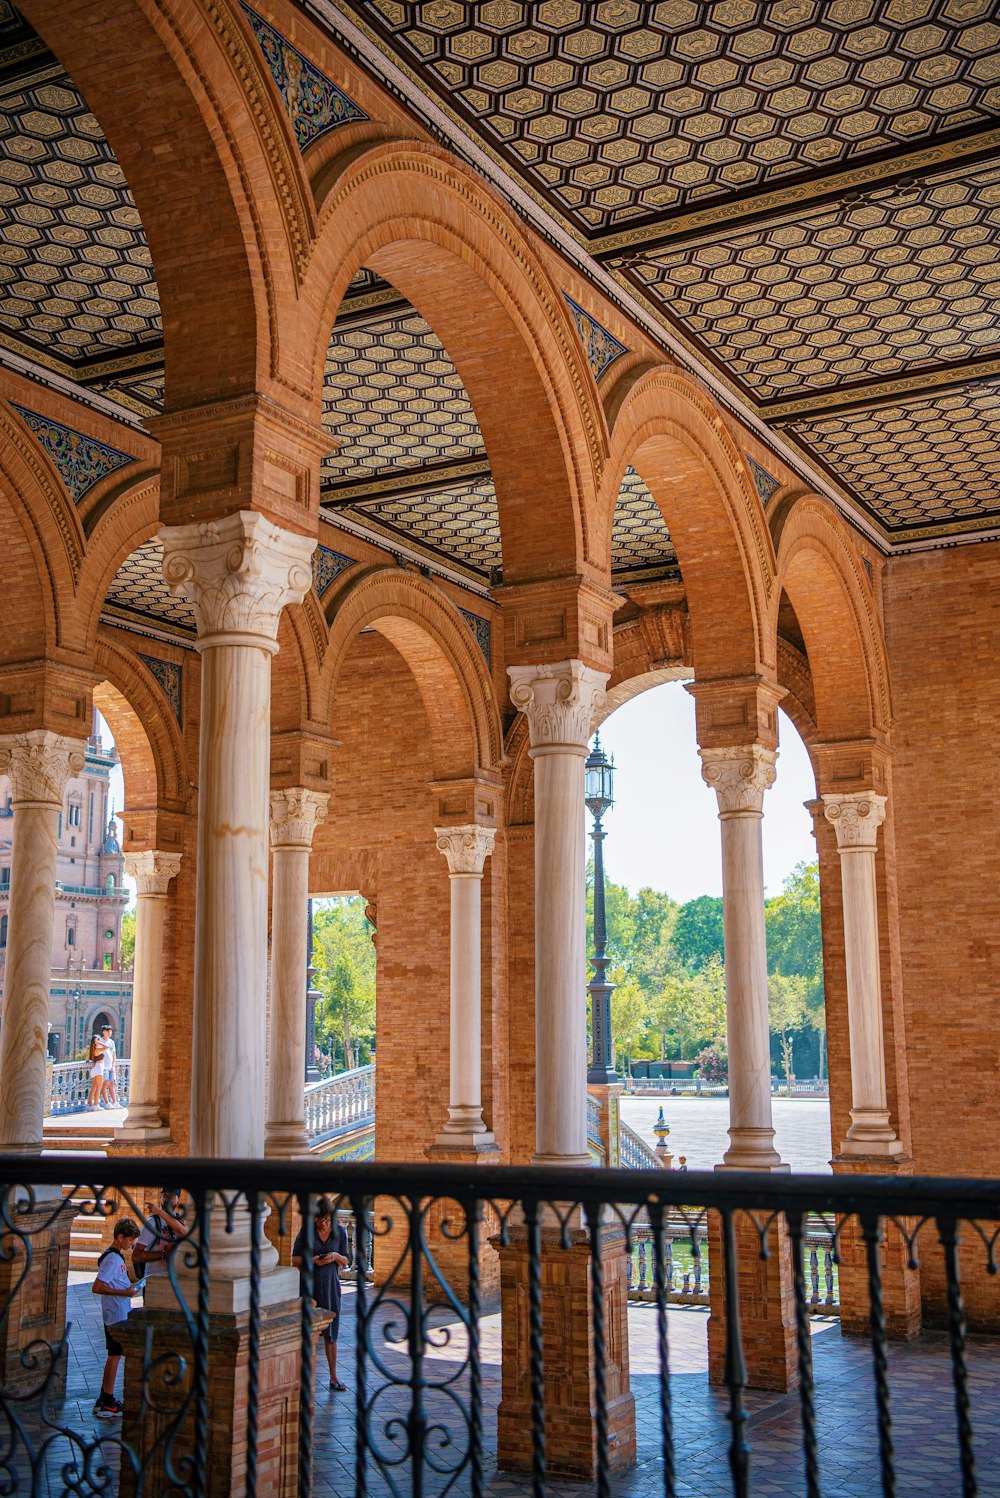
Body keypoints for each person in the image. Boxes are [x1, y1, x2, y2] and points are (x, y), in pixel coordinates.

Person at [292, 1196, 349, 1392]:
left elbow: (346, 1260)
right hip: (309, 1287)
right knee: (307, 1331)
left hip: (331, 1287)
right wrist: (312, 1259)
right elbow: (295, 1259)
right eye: (319, 1220)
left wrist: (334, 1256)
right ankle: (302, 1377)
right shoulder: (306, 1231)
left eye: (326, 1219)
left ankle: (333, 1377)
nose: (323, 1223)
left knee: (331, 1333)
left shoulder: (339, 1232)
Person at [91, 1217, 139, 1419]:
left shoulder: (116, 1256)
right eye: (130, 1240)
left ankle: (105, 1398)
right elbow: (97, 1286)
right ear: (120, 1237)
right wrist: (125, 1293)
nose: (132, 1244)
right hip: (115, 1315)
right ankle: (107, 1401)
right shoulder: (112, 1259)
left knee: (115, 1354)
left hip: (118, 1312)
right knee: (114, 1355)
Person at [132, 1188, 188, 1282]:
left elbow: (184, 1232)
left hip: (176, 1280)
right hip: (154, 1280)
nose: (168, 1199)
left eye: (172, 1196)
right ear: (160, 1198)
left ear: (179, 1199)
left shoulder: (181, 1221)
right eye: (165, 1196)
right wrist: (163, 1254)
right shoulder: (152, 1223)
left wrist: (159, 1211)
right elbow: (136, 1257)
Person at [99, 1025, 118, 1107]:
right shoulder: (100, 1041)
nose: (110, 1033)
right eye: (108, 1031)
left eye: (111, 1031)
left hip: (110, 1067)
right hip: (103, 1067)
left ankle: (115, 1102)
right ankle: (107, 1103)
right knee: (105, 1083)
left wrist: (113, 1066)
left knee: (112, 1084)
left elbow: (114, 1055)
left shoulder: (112, 1042)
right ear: (103, 1032)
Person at [86, 1034, 106, 1110]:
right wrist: (99, 1042)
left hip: (94, 1069)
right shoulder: (97, 1050)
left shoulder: (92, 1051)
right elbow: (106, 1047)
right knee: (98, 1088)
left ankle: (90, 1105)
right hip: (99, 1068)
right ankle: (96, 1105)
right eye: (98, 1040)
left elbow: (87, 1059)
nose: (99, 1041)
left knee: (93, 1088)